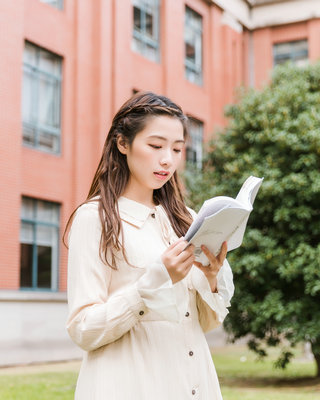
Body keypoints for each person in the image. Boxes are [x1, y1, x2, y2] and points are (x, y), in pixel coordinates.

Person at [64, 92, 234, 400]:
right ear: (123, 143)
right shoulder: (96, 218)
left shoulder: (186, 220)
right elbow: (83, 329)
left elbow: (203, 323)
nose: (167, 158)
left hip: (195, 385)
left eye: (177, 148)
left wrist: (210, 277)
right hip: (131, 385)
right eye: (155, 146)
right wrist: (153, 283)